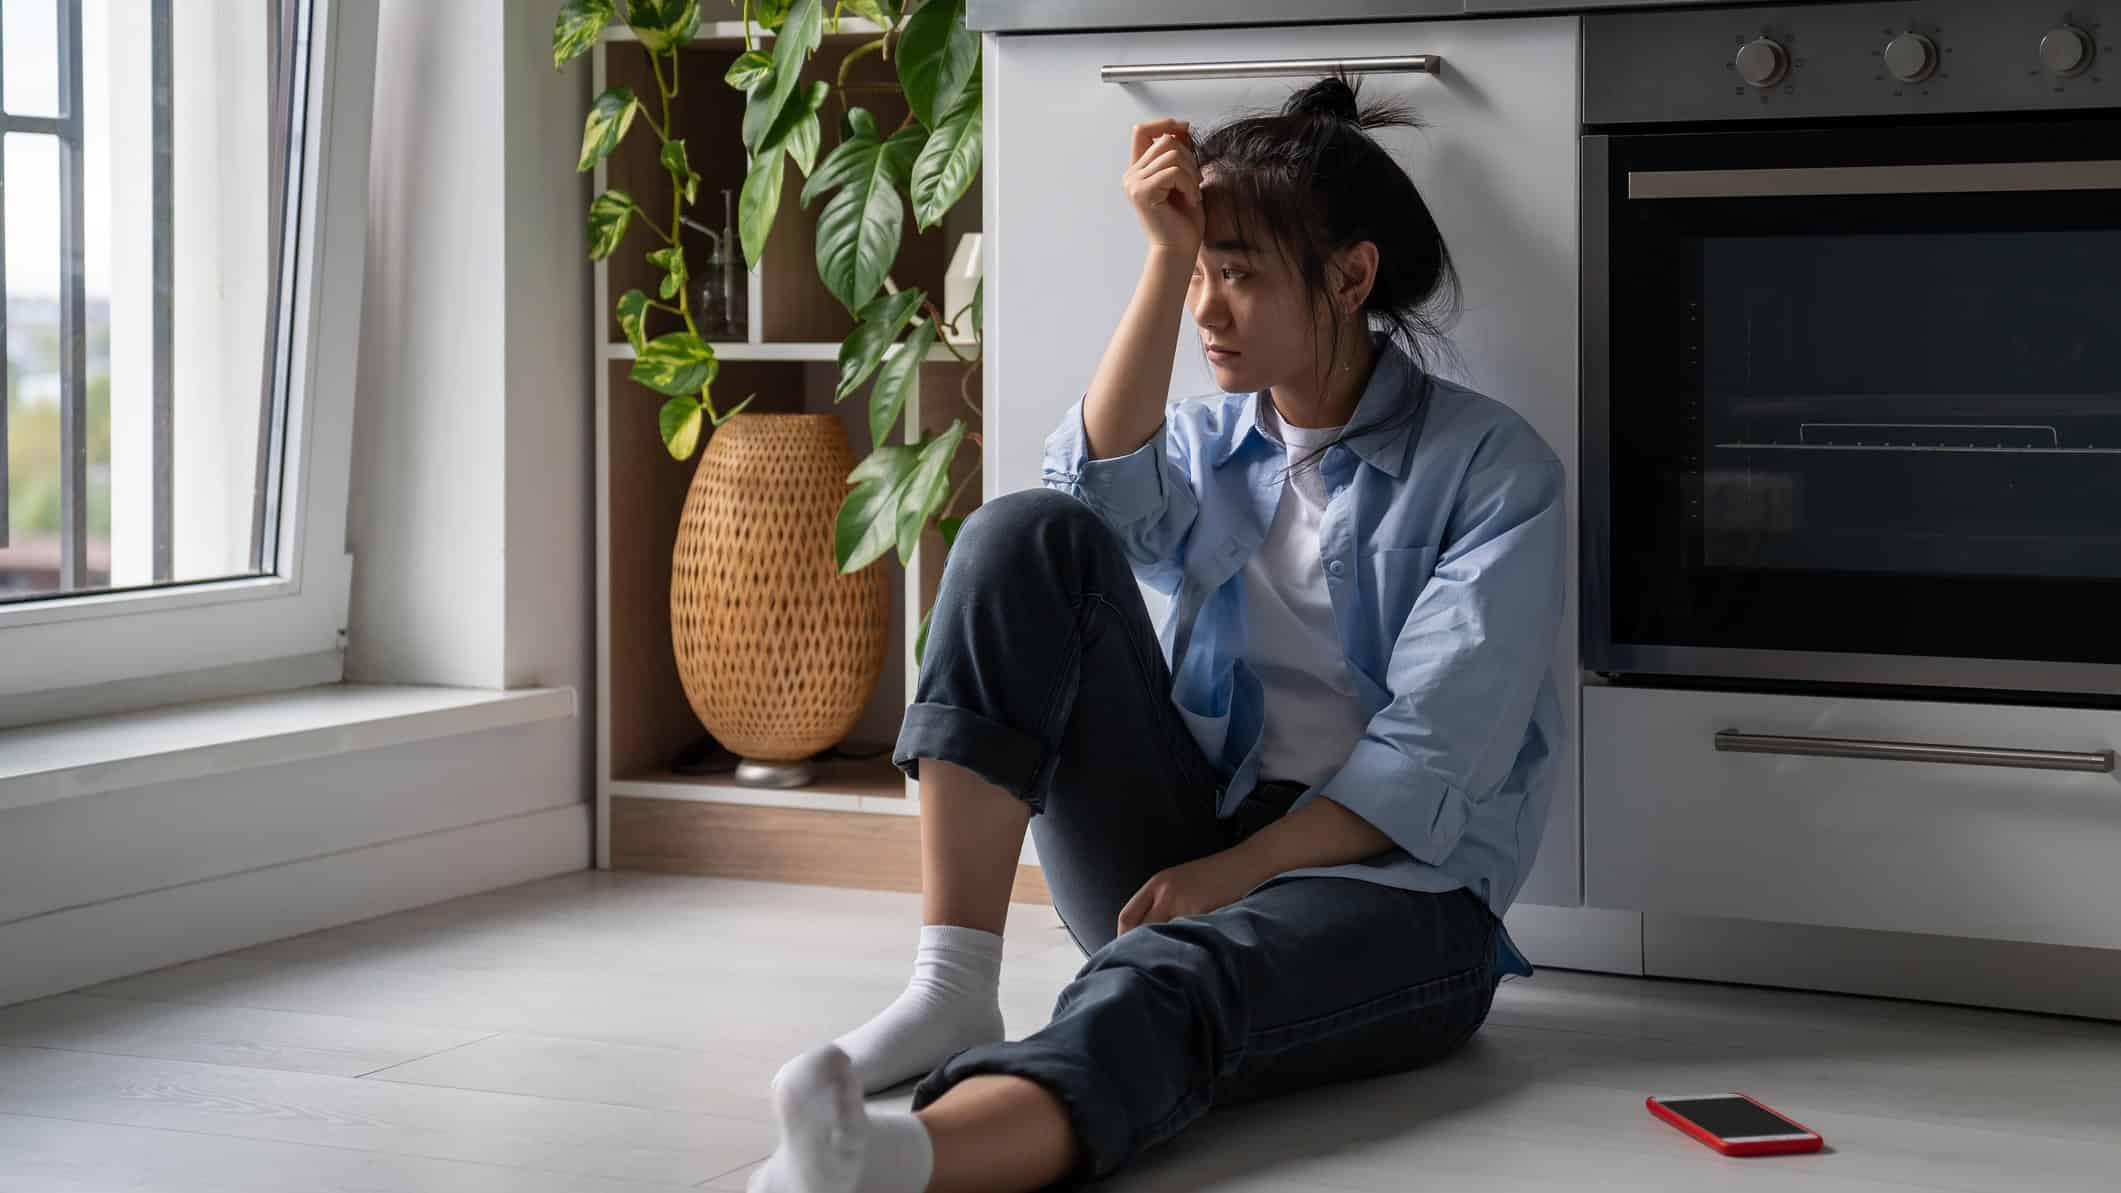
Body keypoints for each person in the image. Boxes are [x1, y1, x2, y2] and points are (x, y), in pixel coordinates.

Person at [749, 75, 1567, 1193]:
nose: (1206, 311)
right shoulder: (1213, 439)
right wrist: (1161, 252)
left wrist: (1241, 870)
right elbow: (1084, 491)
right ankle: (953, 980)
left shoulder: (1492, 470)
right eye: (1197, 275)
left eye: (1235, 275)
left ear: (1351, 275)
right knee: (1021, 533)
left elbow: (1428, 764)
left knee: (1179, 978)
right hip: (1192, 840)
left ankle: (907, 1158)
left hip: (1402, 901)